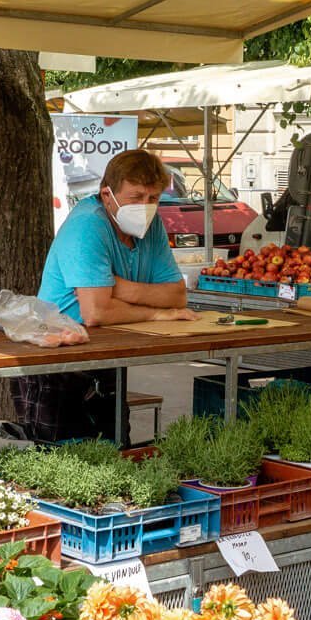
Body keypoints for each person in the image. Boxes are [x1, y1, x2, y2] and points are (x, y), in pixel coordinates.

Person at [19, 149, 194, 441]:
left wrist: (120, 287)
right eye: (136, 197)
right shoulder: (88, 224)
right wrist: (155, 312)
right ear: (107, 195)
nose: (146, 206)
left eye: (153, 198)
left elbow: (177, 296)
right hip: (58, 361)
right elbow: (96, 312)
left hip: (108, 357)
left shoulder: (152, 227)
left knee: (115, 449)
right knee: (60, 458)